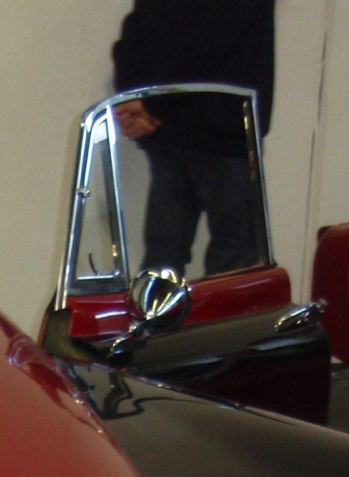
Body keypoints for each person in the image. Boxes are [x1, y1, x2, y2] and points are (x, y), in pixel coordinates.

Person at [111, 0, 274, 277]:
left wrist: (140, 99)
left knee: (163, 260)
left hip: (175, 127)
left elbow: (135, 31)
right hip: (223, 126)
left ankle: (157, 307)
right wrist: (145, 102)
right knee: (234, 262)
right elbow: (213, 39)